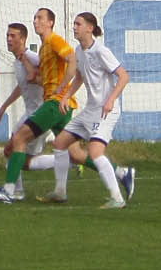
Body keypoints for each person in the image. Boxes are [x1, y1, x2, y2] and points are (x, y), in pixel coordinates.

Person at [0, 7, 85, 204]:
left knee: (18, 145)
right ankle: (117, 172)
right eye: (7, 36)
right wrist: (4, 106)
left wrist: (60, 89)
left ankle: (12, 190)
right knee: (16, 151)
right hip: (43, 108)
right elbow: (25, 85)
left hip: (46, 109)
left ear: (23, 39)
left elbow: (50, 72)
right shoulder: (30, 54)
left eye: (13, 36)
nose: (9, 39)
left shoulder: (36, 53)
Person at [47, 11, 134, 208]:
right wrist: (66, 96)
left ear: (90, 28)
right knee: (60, 143)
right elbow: (79, 76)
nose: (74, 27)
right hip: (91, 110)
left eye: (78, 24)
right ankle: (60, 192)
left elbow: (124, 76)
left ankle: (117, 199)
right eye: (74, 24)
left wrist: (110, 100)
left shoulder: (101, 51)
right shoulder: (79, 50)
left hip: (106, 111)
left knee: (95, 152)